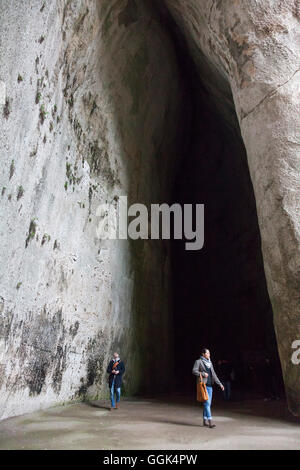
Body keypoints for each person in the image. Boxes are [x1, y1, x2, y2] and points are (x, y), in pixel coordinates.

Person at [192, 348, 224, 428]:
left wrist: (220, 384)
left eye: (209, 353)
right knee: (206, 403)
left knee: (207, 404)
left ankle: (204, 421)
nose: (209, 354)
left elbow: (214, 374)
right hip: (203, 385)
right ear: (203, 354)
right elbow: (194, 371)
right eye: (207, 353)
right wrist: (202, 373)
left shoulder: (210, 363)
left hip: (210, 386)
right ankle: (210, 422)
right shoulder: (198, 361)